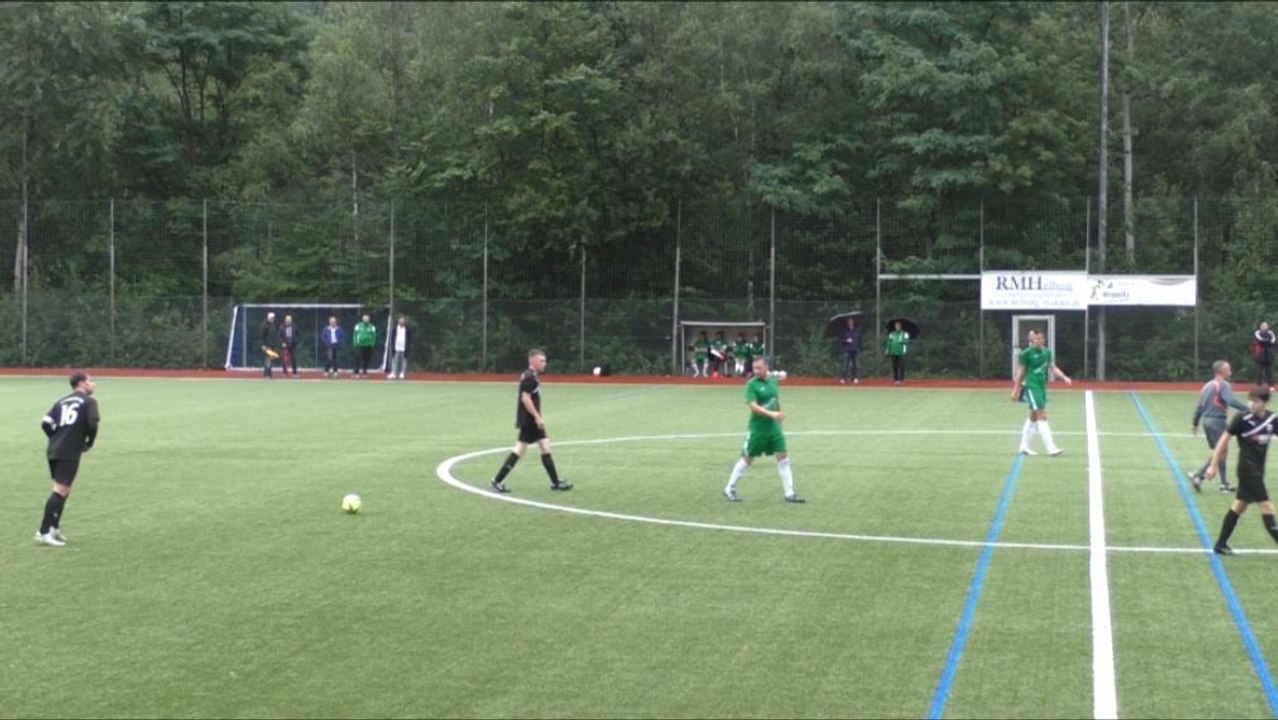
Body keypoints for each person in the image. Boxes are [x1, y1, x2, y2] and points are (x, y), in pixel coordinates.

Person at [1204, 387, 1278, 555]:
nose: (1251, 404)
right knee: (1267, 507)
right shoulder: (1241, 419)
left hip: (1258, 470)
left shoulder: (1272, 420)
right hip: (1246, 470)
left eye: (1256, 401)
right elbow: (1223, 442)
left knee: (1239, 506)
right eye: (1250, 400)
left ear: (1265, 402)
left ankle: (1220, 544)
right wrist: (1213, 465)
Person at [489, 348, 573, 493]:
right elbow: (525, 399)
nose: (544, 363)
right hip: (530, 421)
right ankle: (497, 480)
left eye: (545, 361)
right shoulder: (529, 377)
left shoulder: (531, 375)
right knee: (521, 449)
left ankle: (555, 482)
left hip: (529, 419)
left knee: (543, 446)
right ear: (533, 361)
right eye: (542, 361)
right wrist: (537, 417)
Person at [723, 355, 805, 504]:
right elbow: (753, 407)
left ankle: (790, 493)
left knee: (783, 456)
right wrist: (772, 414)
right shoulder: (751, 385)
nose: (756, 371)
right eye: (754, 368)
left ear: (766, 367)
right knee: (748, 458)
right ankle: (730, 488)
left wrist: (779, 412)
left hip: (774, 428)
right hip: (758, 429)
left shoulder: (773, 381)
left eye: (759, 368)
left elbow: (775, 398)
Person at [34, 372, 100, 547]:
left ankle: (54, 528)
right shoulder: (89, 402)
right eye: (90, 381)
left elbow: (45, 423)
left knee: (64, 489)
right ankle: (44, 531)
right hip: (69, 451)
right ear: (81, 383)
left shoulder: (62, 401)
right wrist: (89, 443)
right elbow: (93, 423)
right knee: (60, 490)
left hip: (54, 449)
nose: (93, 384)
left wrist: (56, 437)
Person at [1188, 360, 1249, 493]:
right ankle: (1199, 476)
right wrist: (1248, 409)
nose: (1230, 372)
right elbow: (1230, 400)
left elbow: (1200, 407)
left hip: (1206, 421)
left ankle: (1223, 483)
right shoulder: (1224, 384)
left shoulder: (1207, 385)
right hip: (1217, 421)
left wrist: (1195, 423)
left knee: (1220, 451)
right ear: (1222, 371)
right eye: (1229, 369)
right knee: (1220, 452)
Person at [1012, 329, 1073, 456]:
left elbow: (1053, 367)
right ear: (1032, 340)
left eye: (1041, 338)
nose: (1039, 341)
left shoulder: (1047, 352)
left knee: (1033, 416)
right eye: (1036, 339)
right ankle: (1050, 447)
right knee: (1042, 415)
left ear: (1044, 339)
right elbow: (1021, 372)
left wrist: (1064, 377)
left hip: (1041, 387)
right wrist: (1016, 390)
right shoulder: (1026, 354)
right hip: (1031, 386)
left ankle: (1024, 446)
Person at [837, 316, 862, 384]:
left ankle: (855, 378)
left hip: (855, 350)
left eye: (851, 321)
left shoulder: (857, 330)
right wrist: (846, 340)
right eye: (849, 321)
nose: (850, 322)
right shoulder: (844, 331)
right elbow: (840, 340)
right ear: (847, 323)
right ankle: (843, 378)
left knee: (856, 365)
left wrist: (859, 348)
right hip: (846, 350)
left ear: (853, 322)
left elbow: (860, 340)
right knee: (845, 365)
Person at [387, 315, 412, 380]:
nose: (401, 321)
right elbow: (392, 338)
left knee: (403, 361)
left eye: (402, 320)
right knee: (395, 360)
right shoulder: (395, 329)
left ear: (404, 321)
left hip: (404, 348)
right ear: (398, 321)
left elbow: (410, 339)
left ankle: (402, 373)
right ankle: (393, 373)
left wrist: (408, 347)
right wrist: (392, 347)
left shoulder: (408, 329)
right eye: (400, 320)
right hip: (396, 347)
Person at [352, 314, 377, 378]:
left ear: (369, 319)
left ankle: (364, 372)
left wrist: (372, 344)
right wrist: (355, 343)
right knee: (358, 358)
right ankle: (356, 372)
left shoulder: (372, 327)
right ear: (362, 319)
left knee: (366, 359)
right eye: (364, 318)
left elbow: (374, 336)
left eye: (367, 319)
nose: (366, 320)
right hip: (359, 345)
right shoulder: (358, 326)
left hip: (368, 346)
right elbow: (355, 334)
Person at [1254, 321, 1276, 390]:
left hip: (1269, 353)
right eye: (1263, 326)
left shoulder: (1271, 333)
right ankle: (1258, 385)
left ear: (1267, 327)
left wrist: (1266, 341)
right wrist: (1267, 341)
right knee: (1259, 370)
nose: (1264, 327)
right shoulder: (1257, 332)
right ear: (1260, 327)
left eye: (1265, 326)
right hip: (1261, 353)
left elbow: (1273, 341)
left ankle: (1271, 386)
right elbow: (1259, 340)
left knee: (1269, 370)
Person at [260, 312, 279, 379]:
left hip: (272, 345)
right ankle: (267, 375)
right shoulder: (264, 325)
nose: (273, 319)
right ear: (268, 318)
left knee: (271, 359)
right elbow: (262, 336)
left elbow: (275, 336)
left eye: (273, 318)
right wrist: (263, 345)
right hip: (267, 345)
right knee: (268, 359)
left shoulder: (273, 325)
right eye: (271, 318)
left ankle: (269, 374)